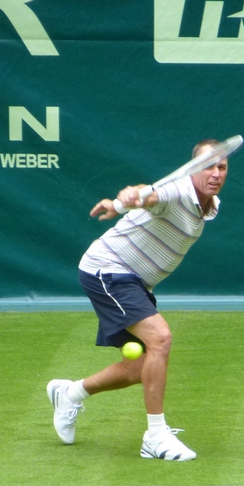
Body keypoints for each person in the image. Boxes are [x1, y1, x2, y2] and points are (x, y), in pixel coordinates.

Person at [46, 139, 230, 461]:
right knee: (161, 338)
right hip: (108, 271)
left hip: (135, 281)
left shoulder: (209, 204)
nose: (215, 173)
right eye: (208, 166)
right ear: (193, 170)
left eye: (222, 167)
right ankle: (155, 436)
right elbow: (151, 195)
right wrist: (132, 194)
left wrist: (118, 206)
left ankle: (70, 393)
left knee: (142, 366)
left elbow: (140, 203)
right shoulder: (177, 192)